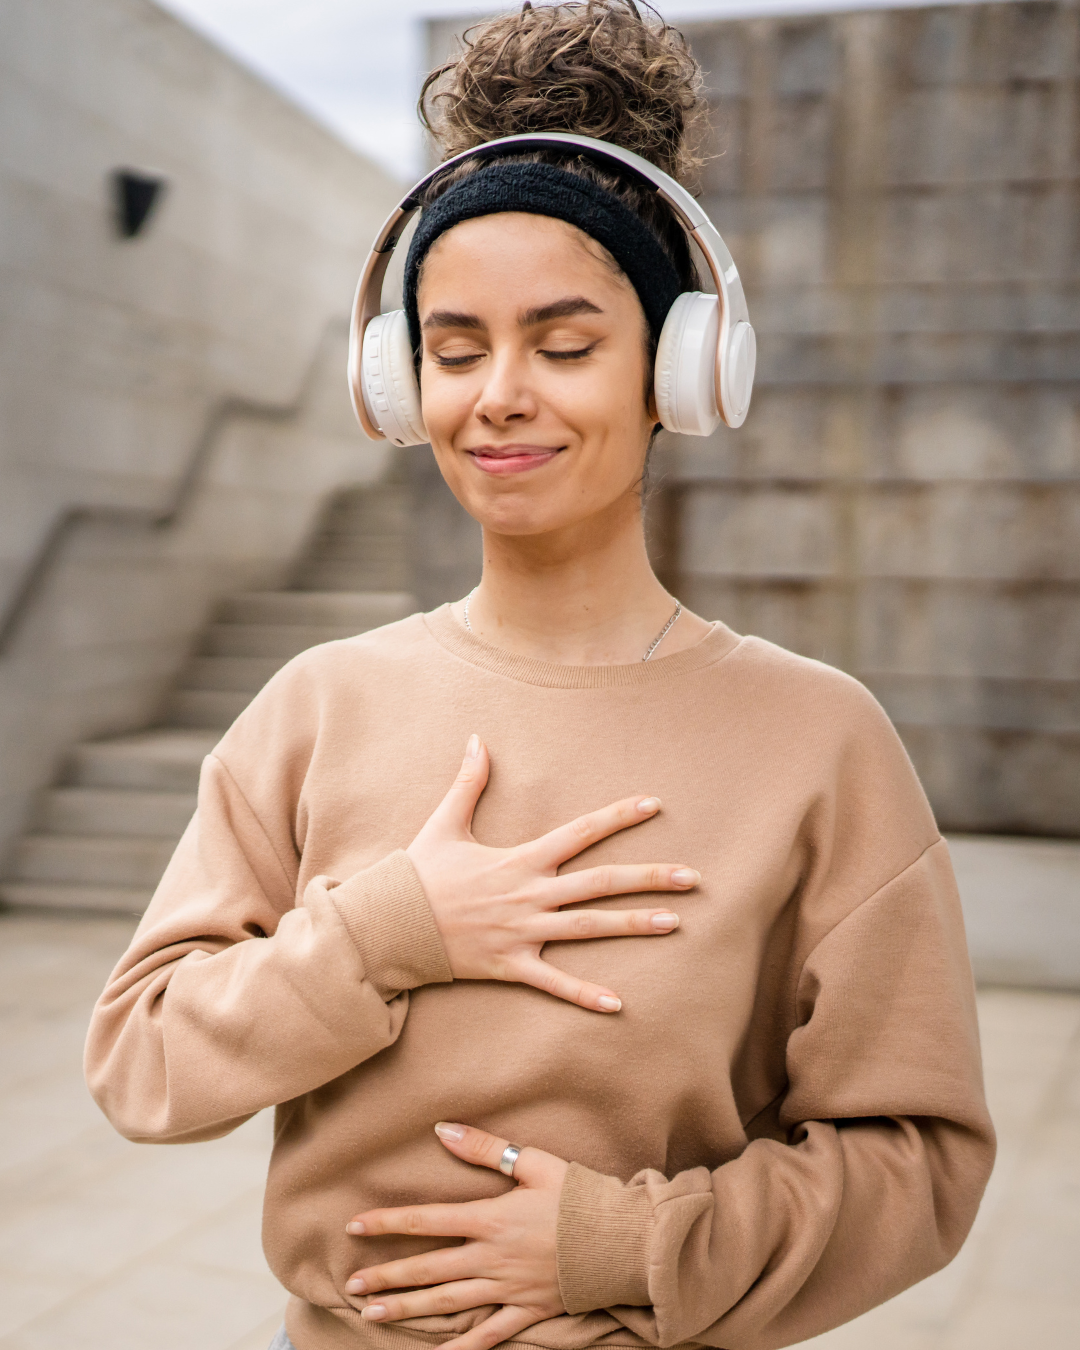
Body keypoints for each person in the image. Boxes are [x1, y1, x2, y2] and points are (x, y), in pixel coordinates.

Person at [85, 5, 995, 1350]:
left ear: (678, 373)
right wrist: (387, 933)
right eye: (454, 351)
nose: (500, 394)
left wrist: (628, 1246)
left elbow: (921, 1162)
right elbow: (143, 1063)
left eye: (565, 346)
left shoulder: (819, 741)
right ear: (398, 387)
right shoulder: (316, 707)